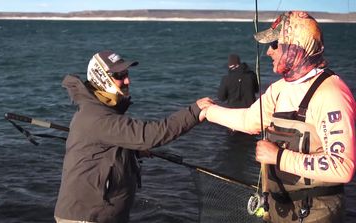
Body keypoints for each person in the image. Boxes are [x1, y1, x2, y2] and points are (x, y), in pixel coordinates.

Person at [205, 11, 355, 222]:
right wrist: (206, 111)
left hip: (317, 214)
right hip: (277, 209)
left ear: (295, 46)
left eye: (275, 44)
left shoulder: (331, 93)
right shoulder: (278, 89)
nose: (268, 52)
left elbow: (342, 166)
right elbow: (249, 120)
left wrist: (279, 158)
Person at [54, 50, 214, 223]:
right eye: (120, 76)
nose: (127, 81)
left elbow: (102, 152)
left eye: (127, 74)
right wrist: (193, 112)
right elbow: (148, 135)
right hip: (87, 216)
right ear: (101, 77)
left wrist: (131, 151)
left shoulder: (98, 111)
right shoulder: (97, 117)